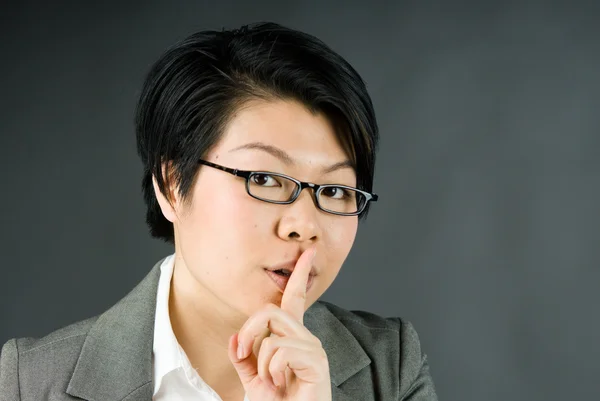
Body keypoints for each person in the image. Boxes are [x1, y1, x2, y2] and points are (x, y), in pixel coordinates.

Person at [0, 22, 437, 401]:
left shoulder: (389, 366)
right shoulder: (30, 381)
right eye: (263, 179)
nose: (304, 225)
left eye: (335, 190)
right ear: (172, 185)